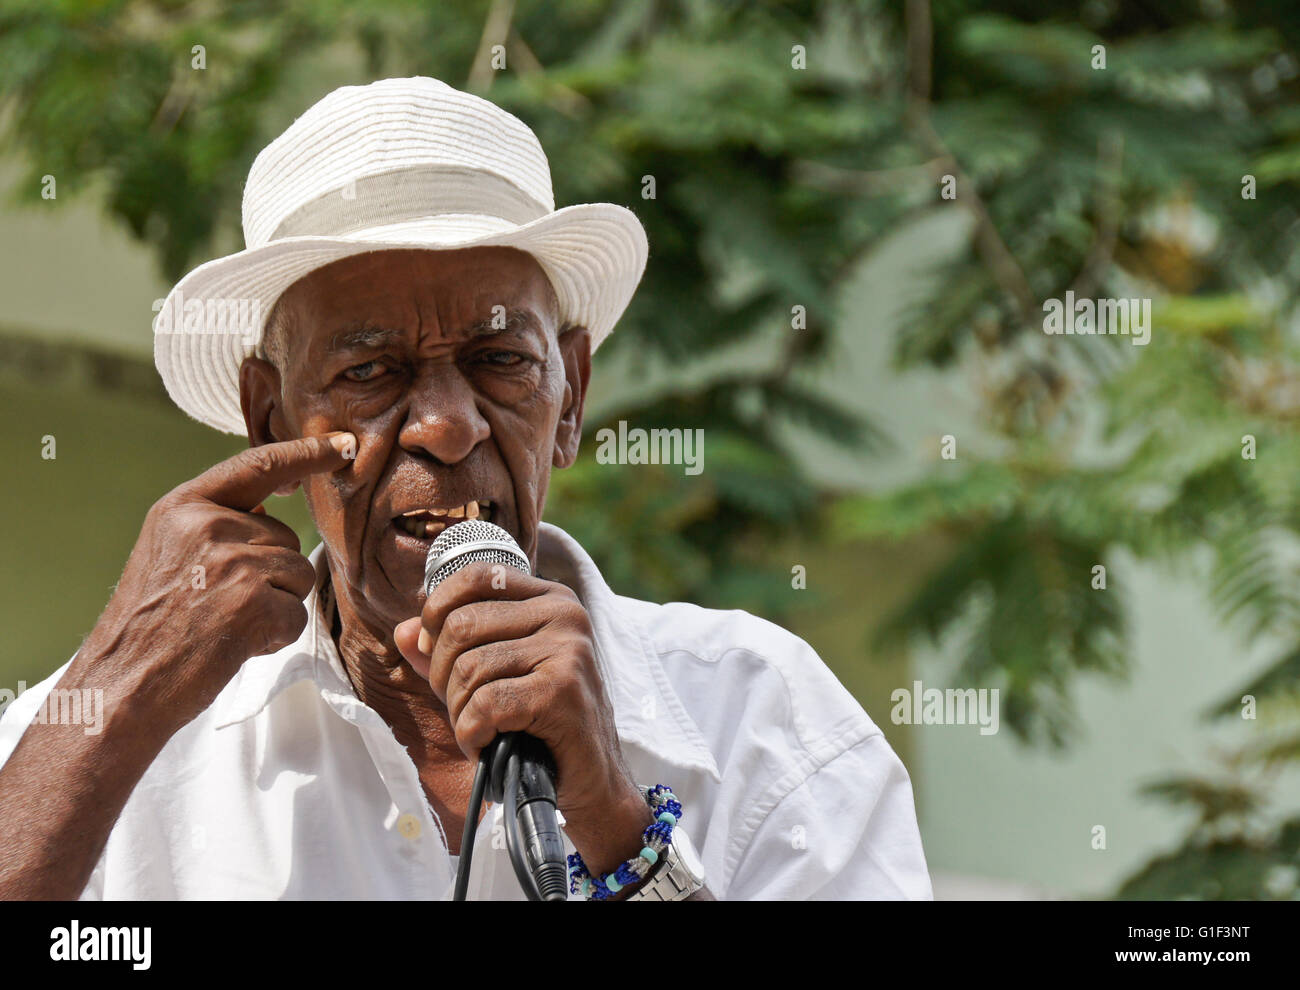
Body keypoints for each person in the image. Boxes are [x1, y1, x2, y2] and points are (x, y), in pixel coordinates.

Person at [0, 77, 932, 900]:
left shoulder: (767, 721)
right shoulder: (123, 739)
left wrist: (613, 823)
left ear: (569, 401)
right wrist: (117, 684)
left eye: (499, 361)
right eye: (370, 371)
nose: (447, 426)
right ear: (273, 418)